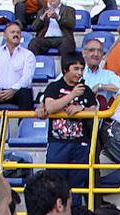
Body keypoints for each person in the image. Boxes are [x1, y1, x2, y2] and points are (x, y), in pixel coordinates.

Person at [40, 53, 99, 200]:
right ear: (66, 69)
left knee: (77, 188)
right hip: (58, 143)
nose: (79, 73)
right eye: (76, 69)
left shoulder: (86, 90)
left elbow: (96, 110)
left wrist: (82, 109)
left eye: (81, 69)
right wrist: (72, 95)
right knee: (55, 186)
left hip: (80, 144)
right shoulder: (54, 87)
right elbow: (50, 107)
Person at [0, 20, 36, 110]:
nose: (16, 34)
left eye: (18, 32)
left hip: (18, 92)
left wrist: (13, 90)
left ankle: (24, 124)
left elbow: (27, 78)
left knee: (25, 93)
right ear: (5, 35)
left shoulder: (28, 55)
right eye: (12, 32)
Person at [80, 35, 120, 108]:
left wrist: (101, 86)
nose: (96, 54)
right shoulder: (75, 71)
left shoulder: (108, 75)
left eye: (99, 51)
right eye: (92, 50)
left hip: (97, 117)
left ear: (102, 55)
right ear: (84, 53)